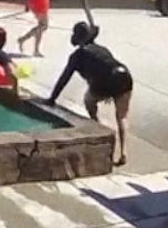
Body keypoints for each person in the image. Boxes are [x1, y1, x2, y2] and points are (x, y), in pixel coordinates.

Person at [46, 22, 134, 167]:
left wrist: (52, 99)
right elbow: (108, 66)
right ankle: (123, 152)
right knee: (122, 117)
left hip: (105, 82)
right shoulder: (102, 49)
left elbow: (64, 78)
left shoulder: (77, 56)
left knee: (88, 100)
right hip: (124, 75)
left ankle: (98, 128)